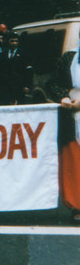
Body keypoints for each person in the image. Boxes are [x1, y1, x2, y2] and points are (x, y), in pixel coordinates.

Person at [46, 42, 80, 222]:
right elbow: (53, 82)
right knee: (74, 161)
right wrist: (63, 97)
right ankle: (77, 205)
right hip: (72, 117)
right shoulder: (69, 57)